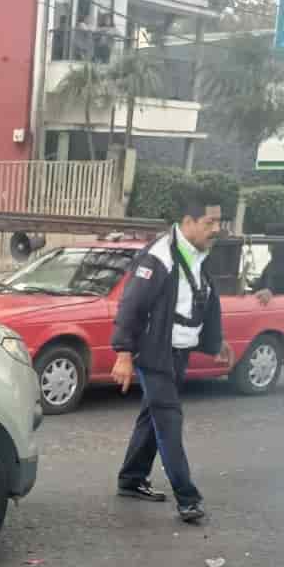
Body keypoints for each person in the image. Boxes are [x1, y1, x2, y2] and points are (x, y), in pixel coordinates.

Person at [110, 187, 235, 524]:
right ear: (188, 221)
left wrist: (215, 342)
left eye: (219, 222)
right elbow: (131, 306)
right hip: (155, 354)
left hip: (178, 352)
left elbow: (204, 302)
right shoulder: (160, 256)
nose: (216, 229)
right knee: (168, 420)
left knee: (152, 417)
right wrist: (123, 352)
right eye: (210, 222)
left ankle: (132, 478)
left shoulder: (198, 256)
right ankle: (187, 497)